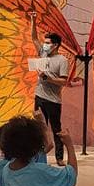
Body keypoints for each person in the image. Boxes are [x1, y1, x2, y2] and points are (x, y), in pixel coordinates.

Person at [29, 11, 69, 166]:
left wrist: (48, 78)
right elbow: (33, 38)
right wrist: (33, 20)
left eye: (48, 43)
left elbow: (63, 82)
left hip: (53, 100)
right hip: (39, 96)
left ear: (56, 45)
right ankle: (38, 155)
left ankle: (59, 157)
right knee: (38, 128)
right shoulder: (43, 53)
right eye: (44, 42)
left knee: (56, 128)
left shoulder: (62, 60)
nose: (45, 45)